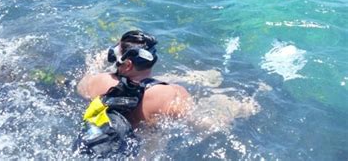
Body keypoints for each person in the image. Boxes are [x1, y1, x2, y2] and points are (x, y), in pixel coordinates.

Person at [74, 30, 261, 158]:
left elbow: (79, 87)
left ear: (127, 63)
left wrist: (96, 64)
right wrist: (240, 109)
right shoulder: (171, 95)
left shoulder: (95, 82)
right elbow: (204, 125)